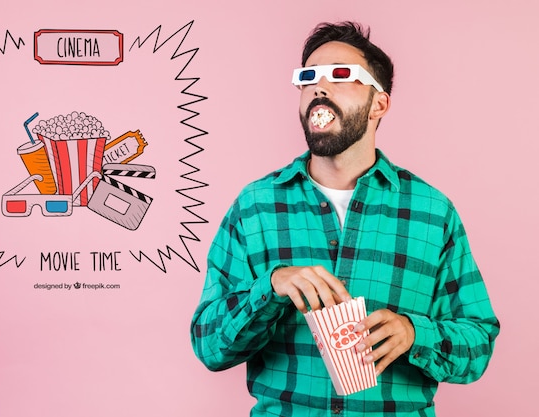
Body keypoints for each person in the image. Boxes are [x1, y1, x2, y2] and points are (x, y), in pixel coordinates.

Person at [190, 21, 499, 416]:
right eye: (308, 78)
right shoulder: (255, 207)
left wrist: (413, 333)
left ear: (378, 104)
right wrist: (269, 289)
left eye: (341, 76)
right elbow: (208, 345)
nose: (320, 87)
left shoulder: (432, 212)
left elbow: (479, 342)